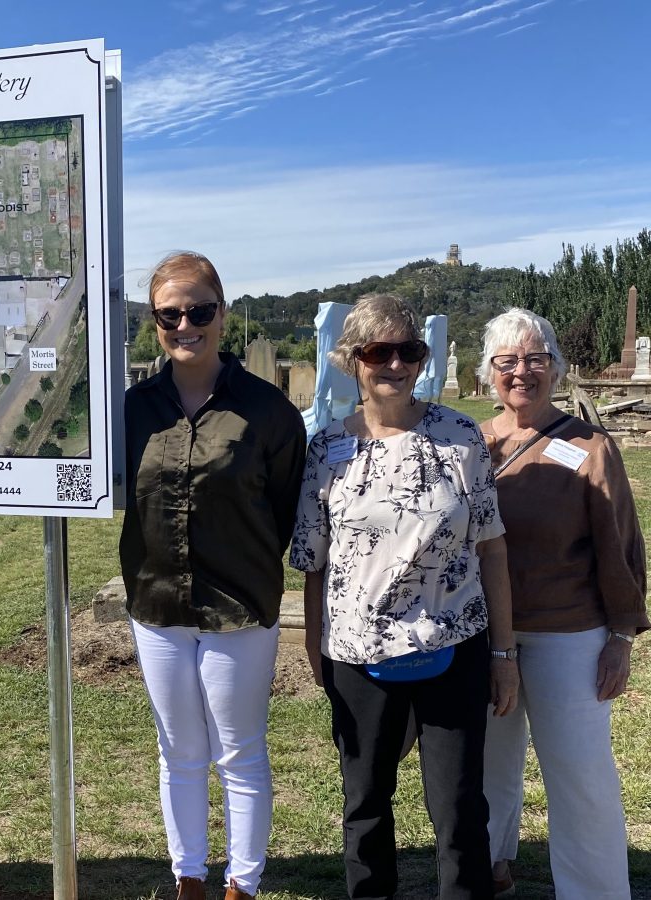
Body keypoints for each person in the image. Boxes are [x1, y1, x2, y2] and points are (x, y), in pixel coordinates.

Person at [289, 293, 519, 900]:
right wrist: (317, 649)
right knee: (365, 805)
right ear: (352, 361)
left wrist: (504, 655)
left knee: (460, 807)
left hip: (454, 646)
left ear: (422, 360)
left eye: (408, 351)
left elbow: (492, 548)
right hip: (359, 655)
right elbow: (314, 564)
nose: (394, 364)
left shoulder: (460, 436)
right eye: (377, 351)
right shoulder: (326, 451)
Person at [120, 251, 306, 900]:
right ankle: (189, 877)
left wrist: (246, 560)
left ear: (222, 315)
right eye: (170, 314)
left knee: (240, 753)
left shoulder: (269, 411)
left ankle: (243, 885)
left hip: (238, 607)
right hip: (157, 604)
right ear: (155, 321)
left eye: (199, 310)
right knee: (179, 752)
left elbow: (283, 507)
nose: (185, 323)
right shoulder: (133, 409)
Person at [476, 308, 647, 900]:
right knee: (486, 767)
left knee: (579, 776)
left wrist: (621, 637)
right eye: (507, 361)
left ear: (554, 367)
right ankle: (489, 869)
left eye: (535, 359)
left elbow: (620, 544)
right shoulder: (470, 443)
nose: (521, 371)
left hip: (568, 634)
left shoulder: (589, 447)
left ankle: (595, 890)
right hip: (484, 634)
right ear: (488, 373)